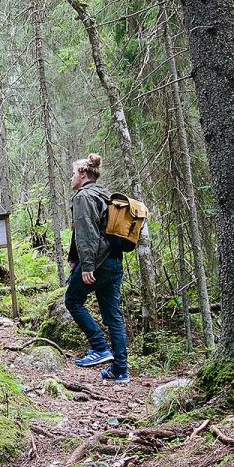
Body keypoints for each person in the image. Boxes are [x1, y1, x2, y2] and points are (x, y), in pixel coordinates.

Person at [64, 153, 130, 383]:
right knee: (113, 315)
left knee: (72, 300)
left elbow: (86, 233)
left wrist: (87, 266)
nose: (71, 178)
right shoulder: (105, 195)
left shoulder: (83, 197)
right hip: (114, 261)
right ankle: (120, 369)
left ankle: (99, 347)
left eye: (73, 173)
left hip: (98, 262)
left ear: (83, 174)